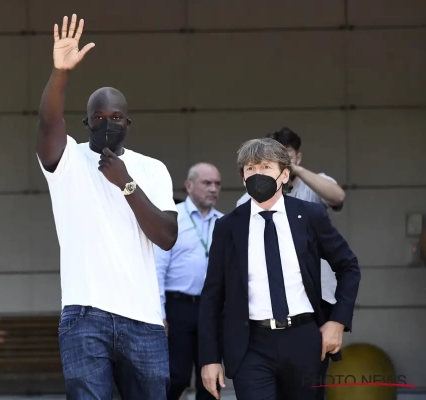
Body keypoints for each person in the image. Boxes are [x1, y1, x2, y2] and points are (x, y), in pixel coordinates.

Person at [36, 14, 178, 400]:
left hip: (143, 318)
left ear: (128, 122)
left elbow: (166, 236)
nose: (107, 123)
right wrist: (60, 73)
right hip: (84, 314)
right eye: (98, 117)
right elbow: (48, 122)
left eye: (115, 117)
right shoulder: (69, 160)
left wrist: (126, 183)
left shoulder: (152, 169)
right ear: (86, 122)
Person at [199, 138, 361, 400]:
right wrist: (209, 357)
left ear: (284, 175)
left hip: (304, 339)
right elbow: (212, 295)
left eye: (266, 167)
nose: (257, 174)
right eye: (250, 168)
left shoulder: (310, 216)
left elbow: (348, 266)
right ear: (242, 177)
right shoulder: (228, 226)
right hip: (250, 345)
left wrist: (337, 321)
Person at [235, 127, 346, 399]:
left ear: (298, 156)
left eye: (287, 155)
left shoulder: (314, 189)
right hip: (265, 313)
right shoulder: (248, 200)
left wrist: (295, 170)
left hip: (315, 303)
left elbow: (337, 197)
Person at [154, 162, 223, 400]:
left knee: (211, 377)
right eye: (207, 183)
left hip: (212, 309)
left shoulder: (224, 222)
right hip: (178, 307)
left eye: (217, 184)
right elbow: (158, 268)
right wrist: (160, 312)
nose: (213, 188)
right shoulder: (173, 218)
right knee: (177, 376)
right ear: (189, 185)